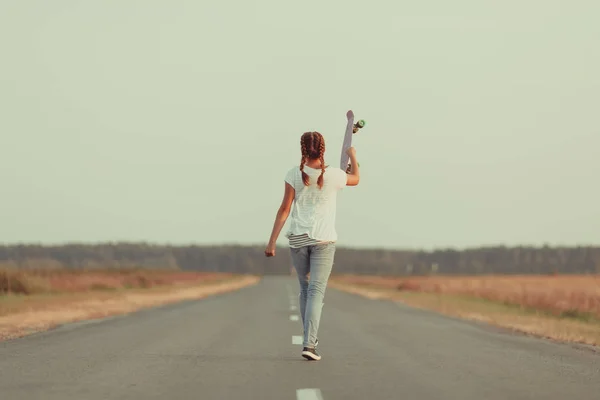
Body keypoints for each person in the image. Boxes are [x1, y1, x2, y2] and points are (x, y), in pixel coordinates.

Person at [265, 131, 360, 361]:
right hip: (323, 240)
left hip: (298, 239)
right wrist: (353, 155)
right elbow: (356, 178)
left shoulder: (293, 174)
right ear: (323, 149)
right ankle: (309, 343)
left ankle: (309, 339)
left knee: (305, 289)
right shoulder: (336, 176)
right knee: (316, 291)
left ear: (302, 149)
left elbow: (284, 210)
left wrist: (272, 242)